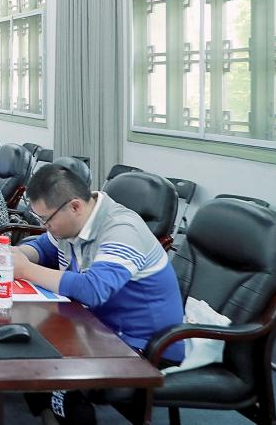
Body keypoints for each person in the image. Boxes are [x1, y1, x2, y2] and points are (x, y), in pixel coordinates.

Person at [15, 164, 185, 424]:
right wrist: (17, 254)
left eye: (46, 220)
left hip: (144, 343)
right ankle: (48, 413)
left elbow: (93, 290)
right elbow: (43, 248)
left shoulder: (122, 230)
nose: (45, 226)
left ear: (75, 206)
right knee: (25, 343)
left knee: (63, 374)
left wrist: (25, 270)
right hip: (96, 326)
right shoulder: (72, 222)